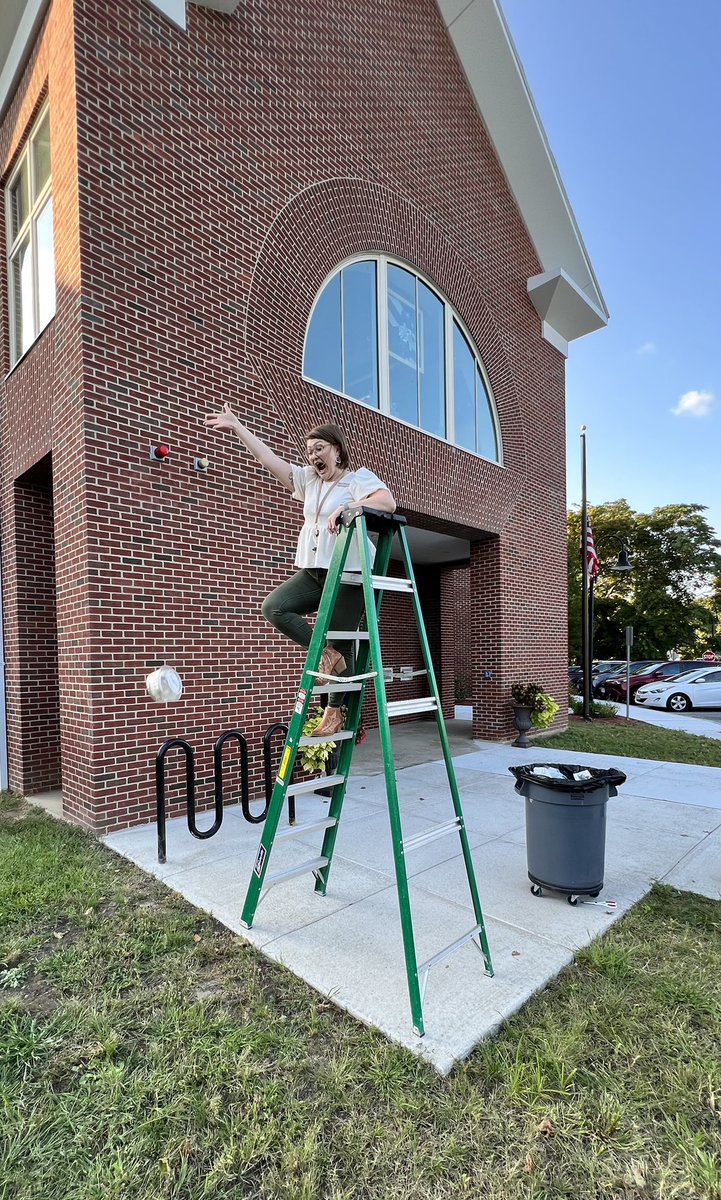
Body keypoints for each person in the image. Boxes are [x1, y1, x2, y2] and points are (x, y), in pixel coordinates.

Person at [204, 403, 396, 735]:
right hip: (313, 571)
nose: (313, 455)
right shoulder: (308, 480)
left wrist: (351, 506)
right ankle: (324, 654)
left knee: (343, 640)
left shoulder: (356, 479)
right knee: (275, 607)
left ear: (336, 449)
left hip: (348, 574)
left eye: (319, 448)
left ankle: (335, 712)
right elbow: (268, 460)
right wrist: (237, 426)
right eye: (309, 451)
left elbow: (387, 502)